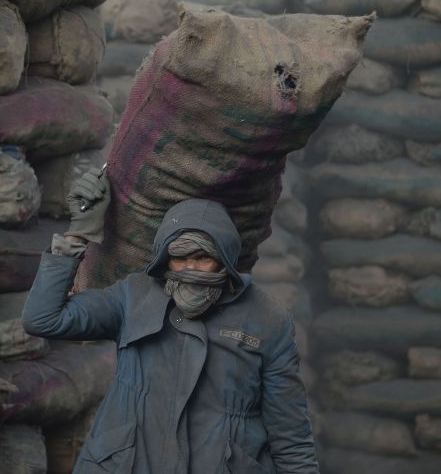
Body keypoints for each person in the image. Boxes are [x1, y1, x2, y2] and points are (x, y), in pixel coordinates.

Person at [22, 167, 320, 473]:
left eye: (203, 258)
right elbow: (43, 320)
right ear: (165, 260)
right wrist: (77, 235)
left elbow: (290, 434)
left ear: (225, 260)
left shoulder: (265, 319)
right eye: (180, 258)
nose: (190, 268)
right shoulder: (133, 297)